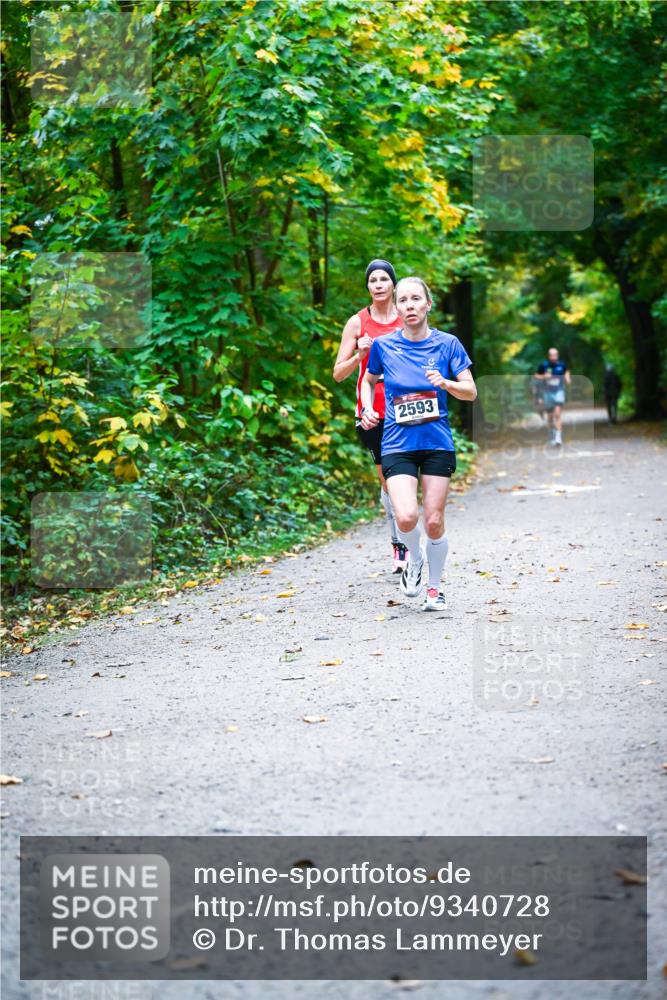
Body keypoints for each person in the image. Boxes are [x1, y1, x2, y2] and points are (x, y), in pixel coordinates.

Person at [359, 276, 476, 611]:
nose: (410, 306)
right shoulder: (384, 346)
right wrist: (368, 408)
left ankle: (435, 590)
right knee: (407, 516)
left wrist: (447, 382)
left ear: (428, 304)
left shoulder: (448, 344)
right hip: (397, 442)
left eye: (416, 299)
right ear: (397, 307)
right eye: (403, 300)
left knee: (434, 520)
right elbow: (368, 382)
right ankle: (414, 558)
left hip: (436, 441)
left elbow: (471, 391)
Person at [333, 259, 407, 574]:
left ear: (393, 284)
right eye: (372, 280)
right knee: (390, 480)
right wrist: (359, 356)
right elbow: (338, 373)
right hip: (372, 411)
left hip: (407, 406)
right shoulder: (357, 323)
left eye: (383, 279)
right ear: (368, 286)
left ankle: (407, 536)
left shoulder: (406, 318)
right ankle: (400, 546)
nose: (377, 284)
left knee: (406, 477)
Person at [534, 348, 570, 447]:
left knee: (557, 414)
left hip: (559, 391)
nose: (553, 357)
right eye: (552, 355)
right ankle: (552, 435)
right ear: (549, 356)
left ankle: (559, 438)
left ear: (557, 355)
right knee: (550, 417)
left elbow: (566, 372)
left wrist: (567, 378)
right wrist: (544, 377)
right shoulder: (544, 365)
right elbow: (536, 376)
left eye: (555, 355)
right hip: (547, 393)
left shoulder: (562, 365)